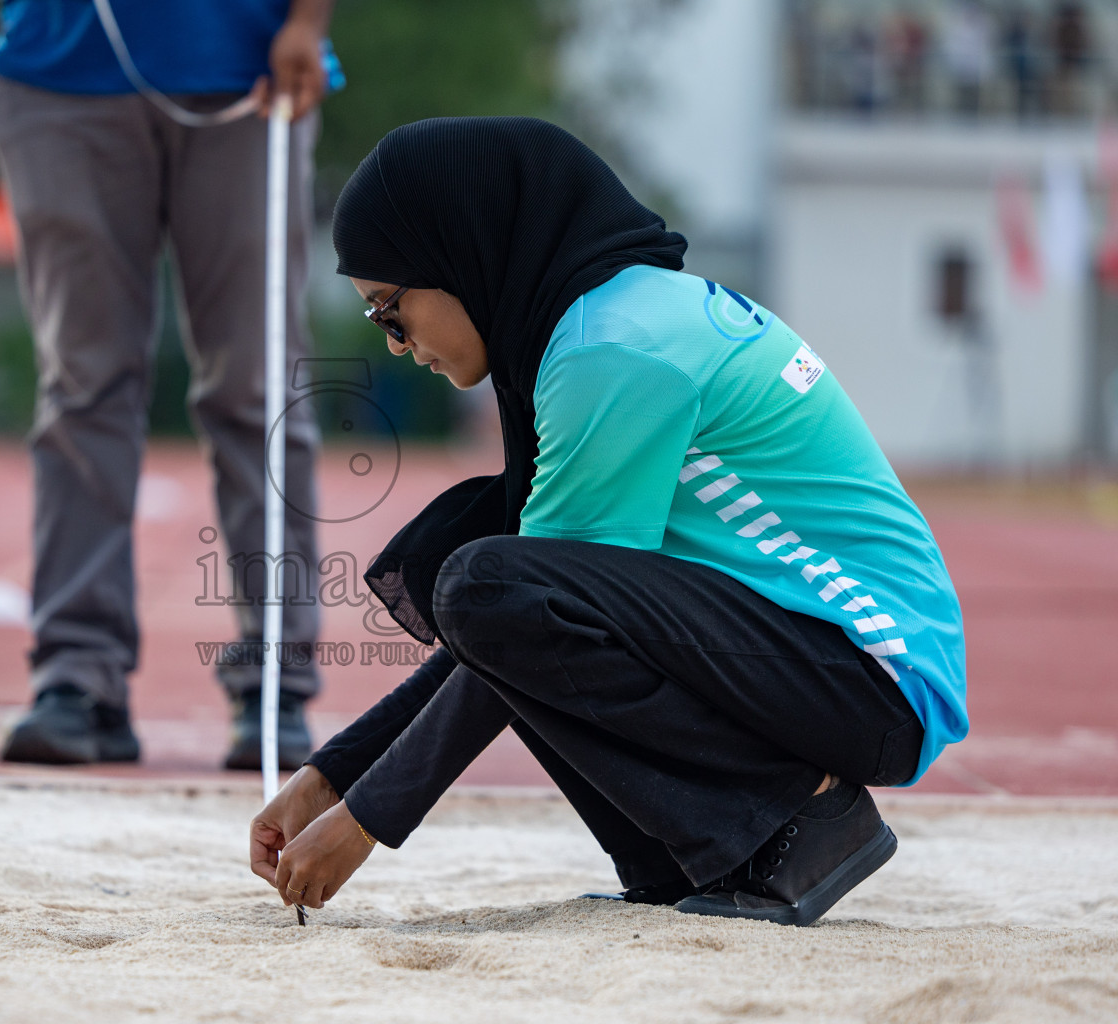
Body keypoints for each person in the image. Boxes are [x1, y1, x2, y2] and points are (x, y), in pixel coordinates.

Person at [247, 118, 968, 926]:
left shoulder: (613, 349)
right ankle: (690, 858)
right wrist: (334, 774)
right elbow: (502, 640)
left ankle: (799, 821)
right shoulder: (605, 318)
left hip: (871, 671)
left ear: (458, 254)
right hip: (826, 657)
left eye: (390, 312)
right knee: (493, 585)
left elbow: (508, 618)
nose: (398, 346)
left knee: (491, 585)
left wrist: (365, 821)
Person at [0, 0, 335, 769]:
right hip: (56, 72)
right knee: (83, 385)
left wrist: (308, 21)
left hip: (250, 66)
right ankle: (79, 679)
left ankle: (276, 683)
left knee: (257, 384)